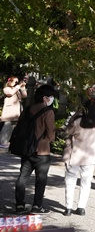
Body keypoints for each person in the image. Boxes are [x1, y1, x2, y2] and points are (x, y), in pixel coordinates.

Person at [14, 83, 57, 213]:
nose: (51, 100)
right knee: (41, 178)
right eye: (50, 97)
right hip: (42, 151)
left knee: (23, 177)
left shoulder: (27, 109)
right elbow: (51, 134)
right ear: (45, 98)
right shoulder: (48, 112)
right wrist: (51, 138)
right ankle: (37, 205)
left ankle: (19, 205)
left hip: (26, 149)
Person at [63, 97, 95, 216]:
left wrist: (75, 115)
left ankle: (68, 207)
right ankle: (81, 207)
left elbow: (67, 132)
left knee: (70, 181)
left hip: (74, 155)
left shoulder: (77, 121)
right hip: (90, 156)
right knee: (86, 182)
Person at [1, 76, 28, 147]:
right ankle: (2, 141)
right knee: (7, 126)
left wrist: (22, 87)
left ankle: (7, 141)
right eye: (15, 81)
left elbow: (24, 96)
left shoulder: (17, 89)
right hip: (9, 111)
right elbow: (10, 93)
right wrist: (18, 86)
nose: (16, 83)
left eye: (17, 82)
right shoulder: (6, 89)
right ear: (10, 81)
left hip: (16, 112)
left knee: (12, 127)